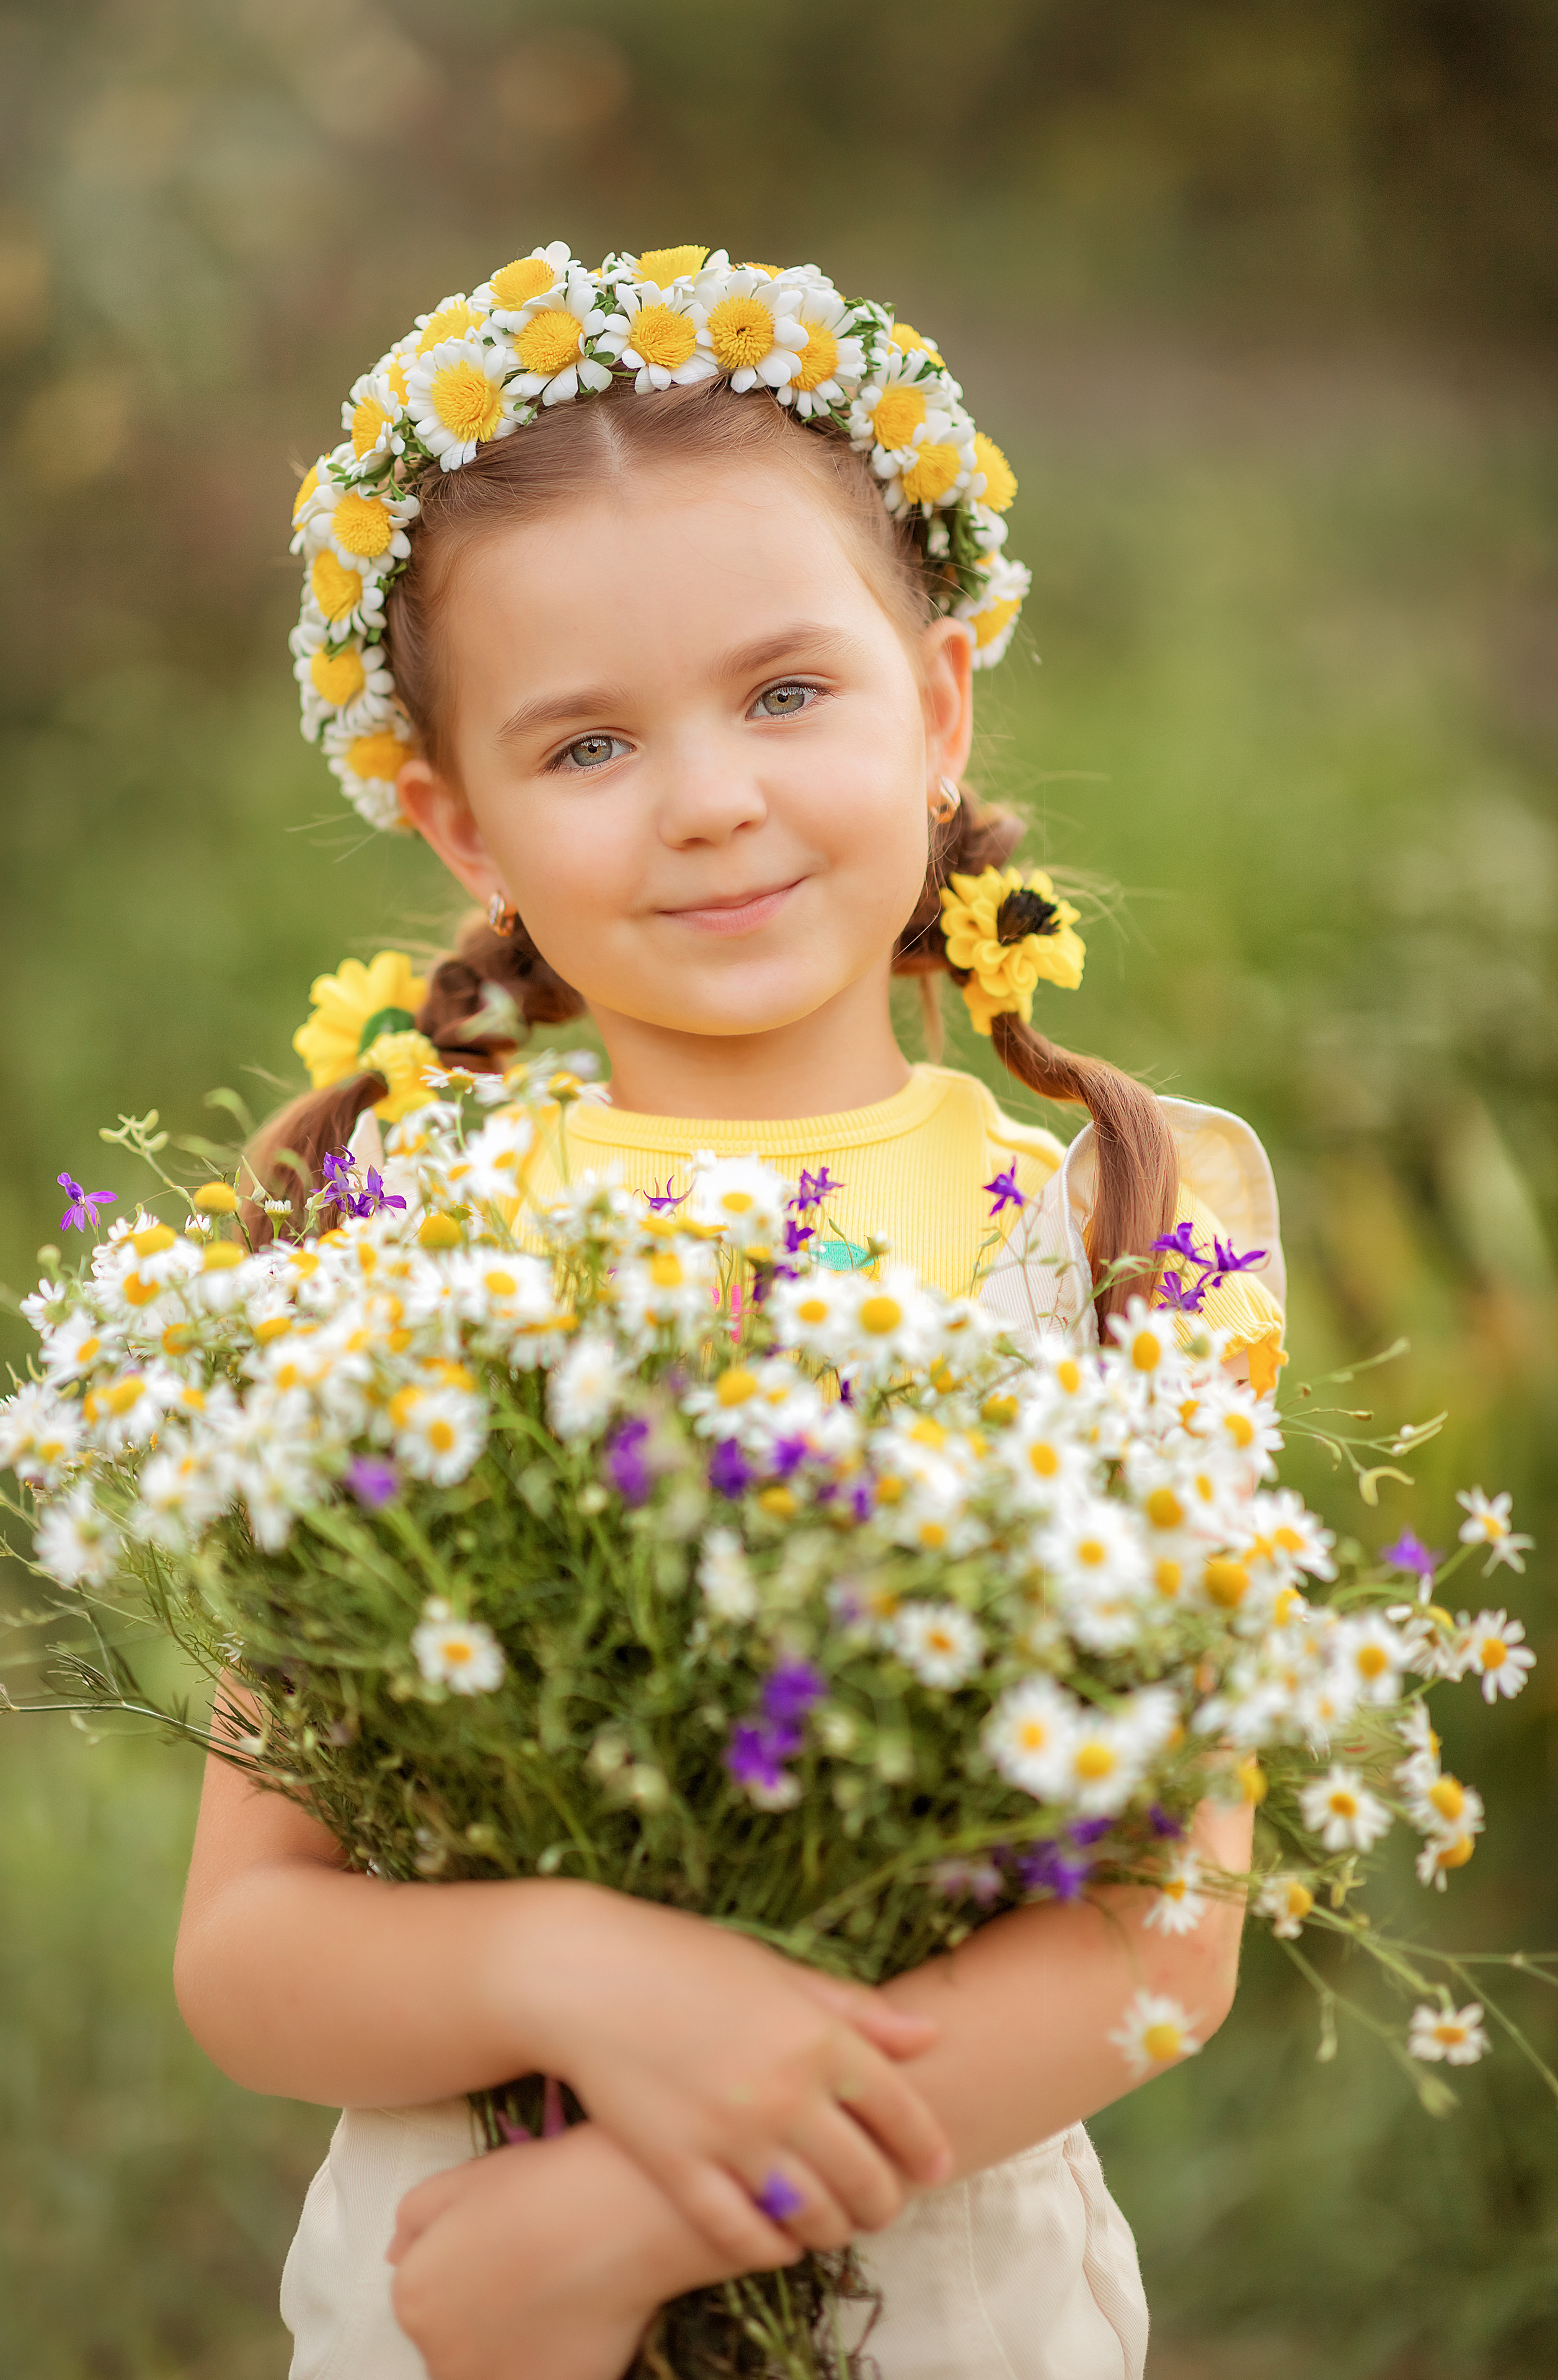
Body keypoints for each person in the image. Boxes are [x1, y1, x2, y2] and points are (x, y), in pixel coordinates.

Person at [174, 243, 1286, 2380]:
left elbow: (1169, 1934)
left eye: (789, 694)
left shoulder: (1130, 1215)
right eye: (586, 742)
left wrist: (624, 2226)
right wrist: (576, 1967)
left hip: (933, 2306)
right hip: (445, 2290)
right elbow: (248, 1951)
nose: (708, 798)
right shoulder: (397, 1238)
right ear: (457, 820)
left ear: (941, 698)